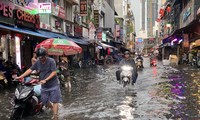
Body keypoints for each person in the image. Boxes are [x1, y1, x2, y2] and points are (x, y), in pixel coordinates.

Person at [15, 47, 62, 119]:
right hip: (44, 86)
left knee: (55, 100)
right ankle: (54, 108)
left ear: (45, 55)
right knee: (44, 101)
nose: (41, 59)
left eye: (42, 57)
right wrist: (21, 76)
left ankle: (55, 116)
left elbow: (54, 72)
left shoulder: (51, 61)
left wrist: (46, 79)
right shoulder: (38, 62)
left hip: (53, 84)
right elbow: (30, 70)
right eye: (39, 58)